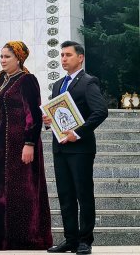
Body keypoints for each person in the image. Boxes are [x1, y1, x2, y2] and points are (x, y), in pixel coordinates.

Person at [0, 41, 52, 250]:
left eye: (7, 57)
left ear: (19, 58)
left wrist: (29, 142)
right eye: (1, 56)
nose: (3, 60)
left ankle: (25, 237)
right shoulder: (0, 80)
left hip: (19, 143)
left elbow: (33, 114)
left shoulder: (27, 81)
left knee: (22, 190)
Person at [45, 41, 108, 255]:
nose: (63, 59)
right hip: (60, 148)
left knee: (83, 194)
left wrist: (77, 133)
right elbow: (60, 115)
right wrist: (49, 121)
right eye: (61, 55)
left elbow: (100, 112)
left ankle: (85, 240)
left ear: (80, 57)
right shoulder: (57, 85)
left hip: (80, 149)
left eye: (68, 55)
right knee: (65, 195)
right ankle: (70, 239)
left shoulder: (89, 82)